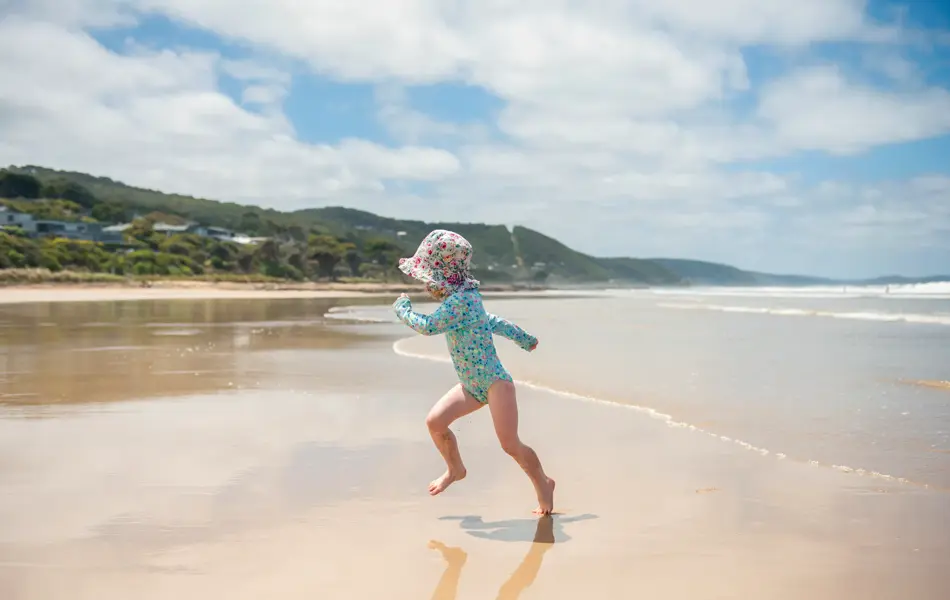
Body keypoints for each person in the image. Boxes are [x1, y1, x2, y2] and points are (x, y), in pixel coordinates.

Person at [392, 229, 555, 515]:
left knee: (510, 445)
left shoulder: (461, 302)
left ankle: (544, 484)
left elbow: (428, 326)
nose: (427, 285)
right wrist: (523, 338)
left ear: (443, 274)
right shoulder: (468, 298)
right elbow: (492, 321)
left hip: (495, 384)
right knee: (435, 422)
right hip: (470, 384)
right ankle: (455, 469)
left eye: (429, 277)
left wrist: (403, 310)